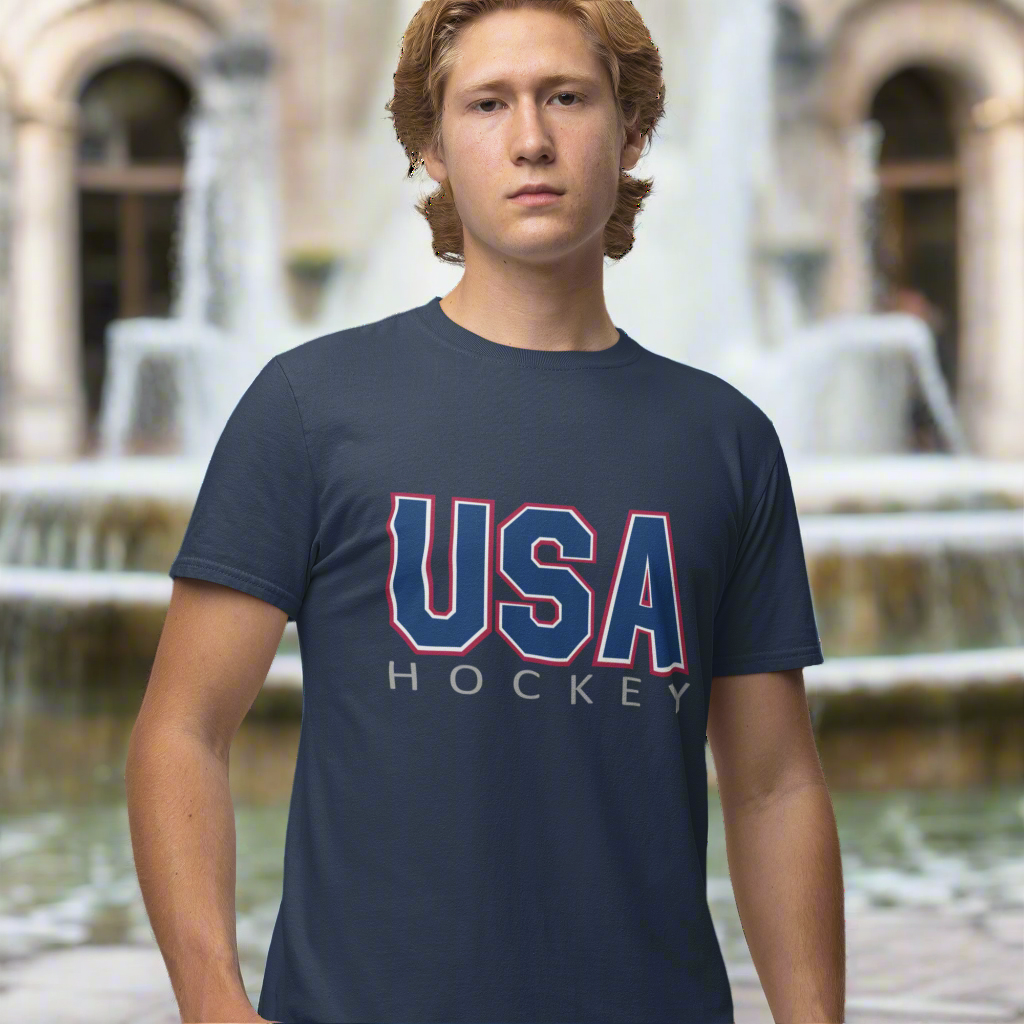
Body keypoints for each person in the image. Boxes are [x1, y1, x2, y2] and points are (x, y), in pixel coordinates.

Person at [125, 2, 846, 1022]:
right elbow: (181, 730)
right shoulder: (310, 405)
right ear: (430, 144)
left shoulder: (722, 439)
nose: (531, 139)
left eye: (566, 96)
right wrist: (213, 1003)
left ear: (631, 129)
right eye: (487, 103)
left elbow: (773, 784)